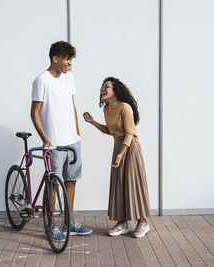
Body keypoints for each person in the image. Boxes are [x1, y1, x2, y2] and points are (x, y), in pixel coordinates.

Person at [31, 41, 92, 241]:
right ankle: (50, 226)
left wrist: (77, 131)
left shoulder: (69, 77)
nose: (69, 64)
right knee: (52, 185)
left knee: (71, 181)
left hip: (72, 141)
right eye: (66, 59)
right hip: (54, 143)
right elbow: (34, 113)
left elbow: (72, 105)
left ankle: (69, 223)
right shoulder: (41, 80)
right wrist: (45, 139)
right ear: (55, 59)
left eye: (71, 60)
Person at [83, 77, 151, 238]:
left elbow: (129, 133)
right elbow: (109, 130)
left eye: (107, 86)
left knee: (133, 183)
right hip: (118, 145)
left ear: (116, 90)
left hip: (130, 147)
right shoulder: (107, 109)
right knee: (118, 184)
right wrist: (92, 122)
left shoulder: (125, 107)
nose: (103, 89)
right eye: (102, 86)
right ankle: (123, 222)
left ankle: (143, 222)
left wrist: (121, 154)